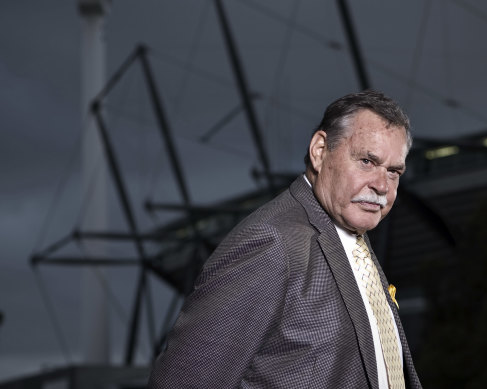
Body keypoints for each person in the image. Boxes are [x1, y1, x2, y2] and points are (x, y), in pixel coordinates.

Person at [148, 90, 422, 388]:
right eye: (367, 161)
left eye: (394, 171)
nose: (381, 185)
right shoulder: (272, 242)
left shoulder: (353, 240)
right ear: (320, 150)